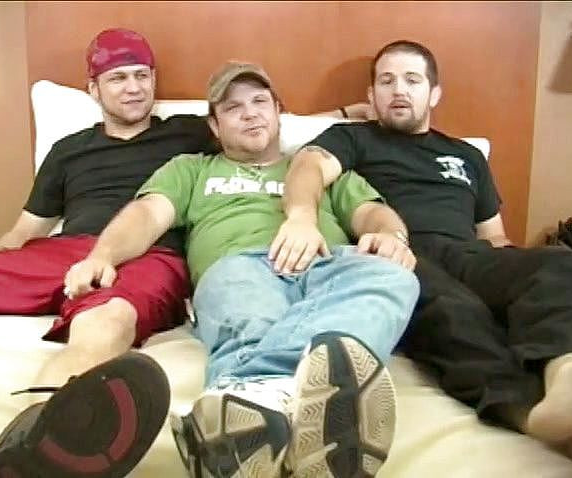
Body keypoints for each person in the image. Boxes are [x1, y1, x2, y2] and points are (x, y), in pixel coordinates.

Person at [64, 61, 420, 478]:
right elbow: (145, 215)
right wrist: (102, 255)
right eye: (233, 108)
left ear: (278, 112)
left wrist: (392, 237)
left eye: (259, 102)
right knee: (247, 308)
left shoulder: (316, 168)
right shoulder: (191, 169)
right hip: (242, 266)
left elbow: (372, 213)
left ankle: (252, 398)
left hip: (330, 268)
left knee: (394, 276)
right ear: (214, 126)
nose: (250, 113)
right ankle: (314, 405)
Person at [270, 40, 572, 466]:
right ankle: (532, 415)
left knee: (559, 263)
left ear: (434, 93)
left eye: (412, 80)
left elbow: (495, 238)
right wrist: (301, 217)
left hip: (469, 255)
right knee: (455, 309)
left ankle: (567, 376)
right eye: (386, 81)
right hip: (398, 253)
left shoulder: (467, 155)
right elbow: (307, 166)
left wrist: (518, 278)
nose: (399, 90)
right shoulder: (352, 137)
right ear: (371, 95)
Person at [0, 28, 221, 478]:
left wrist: (346, 115)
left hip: (150, 256)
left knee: (106, 320)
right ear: (93, 89)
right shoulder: (68, 150)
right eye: (118, 78)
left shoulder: (189, 133)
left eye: (142, 75)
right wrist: (0, 264)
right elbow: (24, 230)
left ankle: (31, 447)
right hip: (64, 252)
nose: (133, 88)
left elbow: (261, 124)